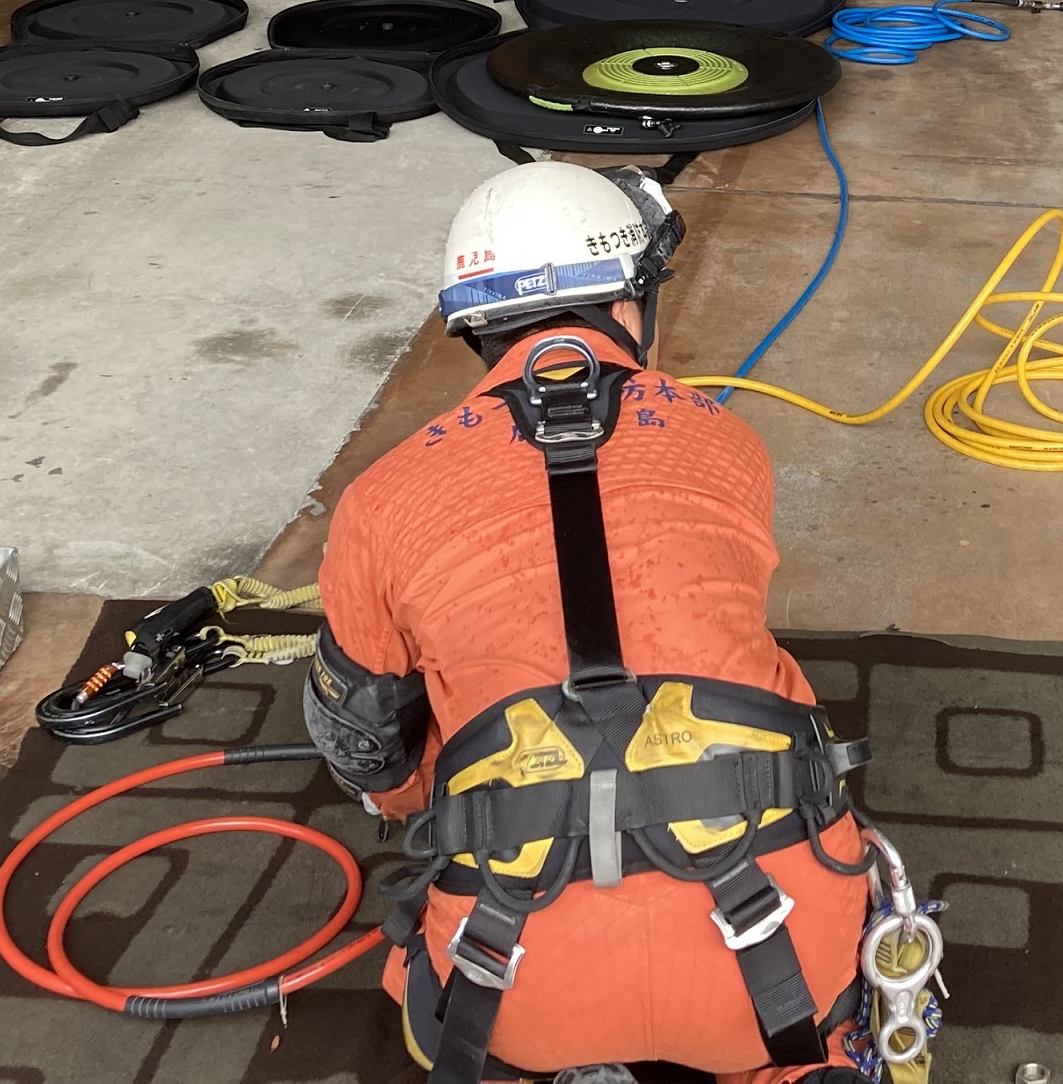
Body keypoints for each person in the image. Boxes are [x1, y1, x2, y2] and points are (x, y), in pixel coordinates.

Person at [310, 162, 873, 1083]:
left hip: (510, 983)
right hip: (777, 973)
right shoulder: (727, 442)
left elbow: (366, 748)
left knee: (429, 1003)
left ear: (474, 328)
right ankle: (801, 1067)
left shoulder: (380, 499)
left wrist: (423, 793)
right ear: (628, 304)